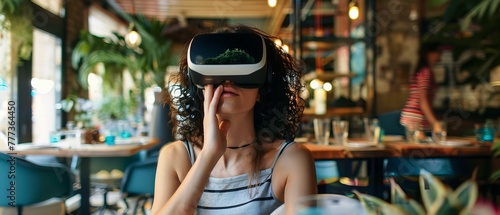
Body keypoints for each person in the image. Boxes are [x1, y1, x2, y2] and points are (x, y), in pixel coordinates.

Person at [151, 24, 317, 215]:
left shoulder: (291, 160)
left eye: (241, 73)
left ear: (262, 89)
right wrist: (209, 155)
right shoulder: (175, 157)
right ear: (200, 86)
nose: (228, 81)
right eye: (216, 74)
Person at [400, 43, 442, 137]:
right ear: (430, 54)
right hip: (415, 118)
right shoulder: (425, 72)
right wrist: (435, 123)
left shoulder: (421, 71)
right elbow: (423, 100)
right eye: (439, 52)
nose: (440, 55)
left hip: (414, 116)